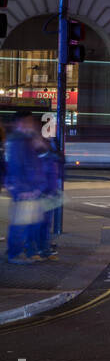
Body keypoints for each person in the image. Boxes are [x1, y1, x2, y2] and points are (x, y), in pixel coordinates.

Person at [4, 113, 44, 265]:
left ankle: (17, 252)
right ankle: (15, 254)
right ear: (20, 123)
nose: (31, 125)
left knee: (26, 223)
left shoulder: (26, 140)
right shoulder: (19, 141)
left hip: (29, 188)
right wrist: (24, 188)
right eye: (28, 122)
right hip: (25, 190)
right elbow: (18, 166)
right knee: (20, 224)